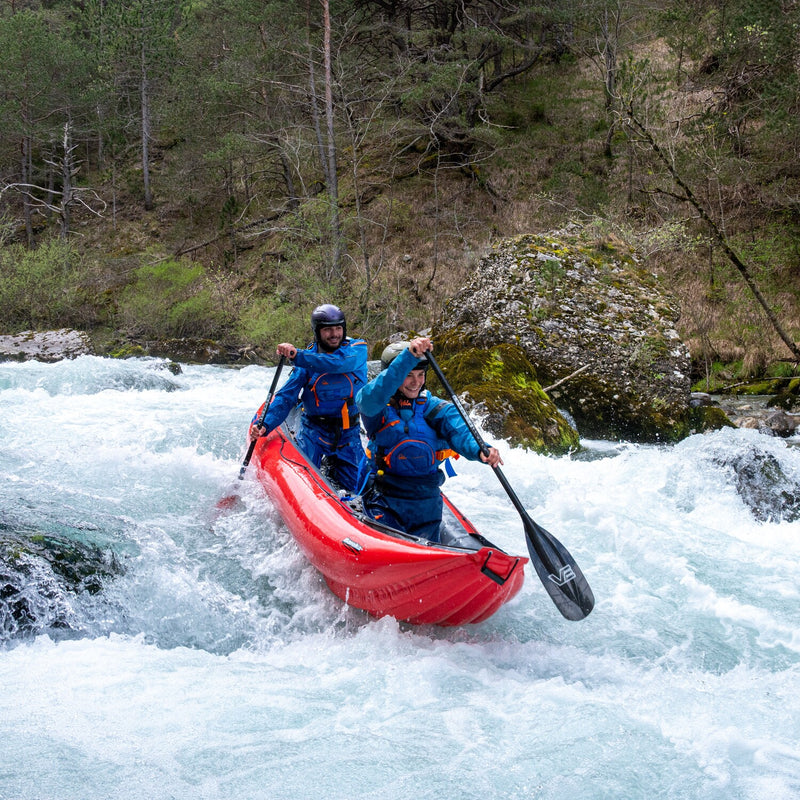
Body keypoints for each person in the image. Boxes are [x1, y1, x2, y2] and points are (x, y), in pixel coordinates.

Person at [356, 336, 502, 542]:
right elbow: (369, 398)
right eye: (408, 375)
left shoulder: (434, 408)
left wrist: (480, 449)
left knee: (428, 542)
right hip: (384, 499)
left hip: (426, 502)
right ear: (394, 375)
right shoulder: (377, 408)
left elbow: (460, 431)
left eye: (420, 375)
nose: (416, 382)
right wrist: (408, 358)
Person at [249, 303, 368, 492]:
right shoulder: (306, 360)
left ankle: (334, 469)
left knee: (360, 488)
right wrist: (265, 424)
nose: (334, 334)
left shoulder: (357, 350)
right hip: (314, 431)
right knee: (305, 486)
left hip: (348, 432)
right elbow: (287, 396)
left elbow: (338, 364)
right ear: (317, 332)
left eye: (338, 328)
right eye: (328, 330)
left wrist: (297, 355)